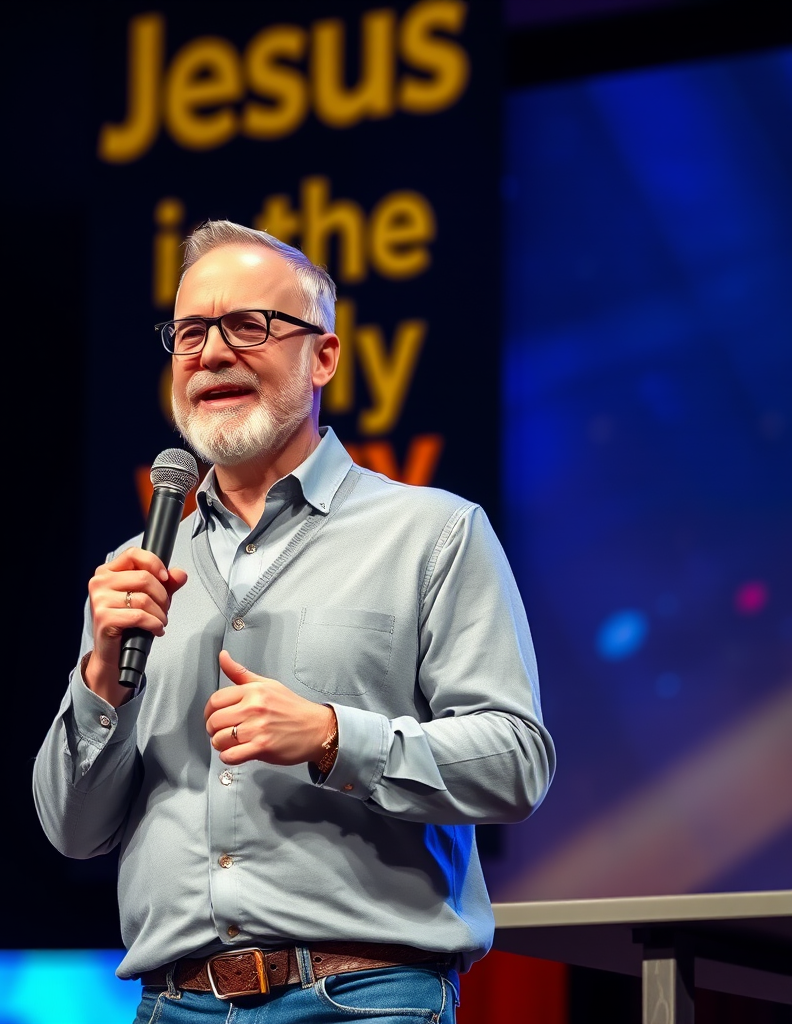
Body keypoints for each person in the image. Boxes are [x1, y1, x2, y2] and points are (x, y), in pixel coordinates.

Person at [33, 221, 555, 1024]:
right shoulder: (134, 569)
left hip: (364, 998)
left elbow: (517, 762)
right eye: (191, 332)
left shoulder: (432, 532)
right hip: (172, 1005)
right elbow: (73, 830)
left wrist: (332, 737)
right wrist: (100, 677)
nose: (211, 354)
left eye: (248, 326)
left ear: (324, 357)